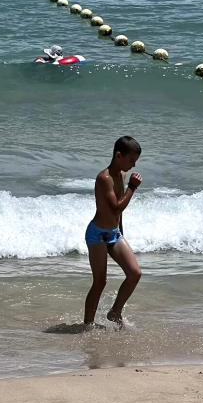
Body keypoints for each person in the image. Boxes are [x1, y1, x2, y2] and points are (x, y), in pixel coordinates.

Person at [83, 136, 144, 330]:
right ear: (119, 156)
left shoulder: (122, 176)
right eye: (131, 160)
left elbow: (119, 214)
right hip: (97, 235)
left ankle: (115, 312)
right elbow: (116, 207)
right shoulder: (104, 178)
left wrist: (121, 231)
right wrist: (132, 188)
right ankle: (88, 325)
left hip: (114, 233)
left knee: (135, 273)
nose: (134, 165)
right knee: (100, 282)